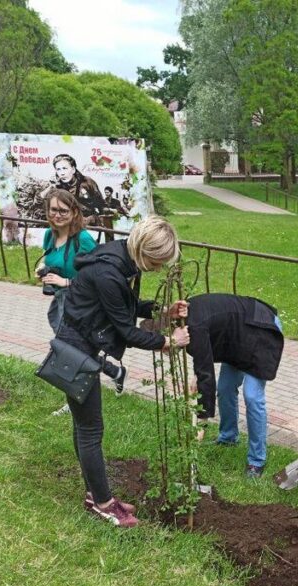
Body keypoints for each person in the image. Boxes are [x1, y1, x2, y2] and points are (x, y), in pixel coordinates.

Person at [58, 215, 190, 528]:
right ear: (144, 250)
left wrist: (161, 310)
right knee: (91, 430)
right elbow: (128, 332)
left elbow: (122, 304)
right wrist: (169, 341)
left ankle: (94, 494)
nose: (158, 269)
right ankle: (103, 504)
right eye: (157, 262)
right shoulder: (108, 272)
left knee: (84, 425)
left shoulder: (119, 257)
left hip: (80, 346)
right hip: (76, 352)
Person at [36, 190, 126, 410]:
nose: (57, 215)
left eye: (63, 210)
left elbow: (97, 276)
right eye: (53, 210)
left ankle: (75, 395)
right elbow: (51, 259)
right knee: (74, 349)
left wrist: (65, 282)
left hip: (80, 303)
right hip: (59, 302)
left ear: (74, 211)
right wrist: (43, 270)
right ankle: (114, 372)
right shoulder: (50, 235)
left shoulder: (83, 239)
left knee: (70, 350)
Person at [182, 293, 284, 479]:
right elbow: (203, 360)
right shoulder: (184, 320)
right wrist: (197, 376)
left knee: (252, 396)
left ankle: (256, 460)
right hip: (238, 335)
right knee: (225, 388)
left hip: (262, 328)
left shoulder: (192, 326)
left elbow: (206, 374)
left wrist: (201, 423)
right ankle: (228, 437)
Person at [53, 153, 106, 223]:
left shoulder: (87, 182)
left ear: (73, 169)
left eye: (65, 168)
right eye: (58, 169)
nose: (62, 173)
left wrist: (94, 219)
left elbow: (101, 205)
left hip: (90, 224)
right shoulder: (57, 187)